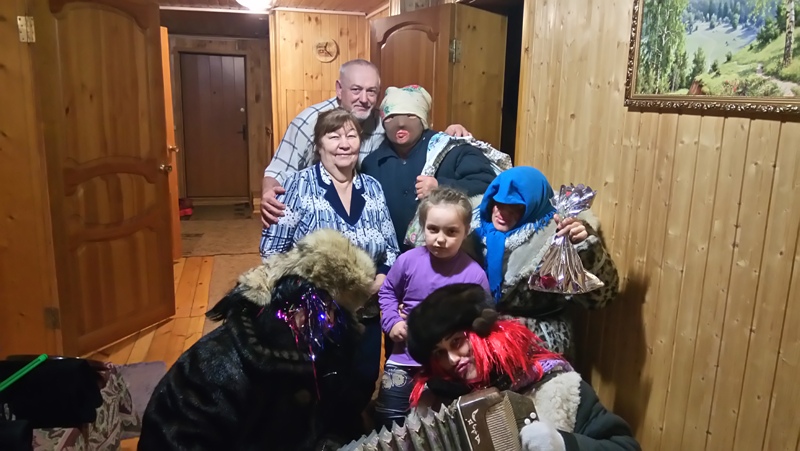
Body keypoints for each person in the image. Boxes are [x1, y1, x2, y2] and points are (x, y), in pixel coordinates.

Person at [138, 229, 379, 450]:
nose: (329, 319)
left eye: (336, 309)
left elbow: (338, 417)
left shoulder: (329, 350)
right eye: (320, 304)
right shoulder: (214, 366)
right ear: (291, 298)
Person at [258, 107, 400, 422]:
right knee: (316, 387)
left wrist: (382, 276)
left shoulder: (372, 188)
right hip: (314, 313)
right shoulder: (297, 186)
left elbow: (391, 248)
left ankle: (347, 431)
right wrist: (307, 293)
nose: (344, 143)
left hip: (365, 311)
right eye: (334, 136)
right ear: (319, 145)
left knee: (363, 379)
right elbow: (272, 251)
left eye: (351, 135)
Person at [405, 283, 640, 451]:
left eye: (457, 342)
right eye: (439, 353)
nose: (452, 360)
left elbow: (625, 446)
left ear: (483, 333)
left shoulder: (556, 385)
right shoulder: (433, 406)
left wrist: (565, 444)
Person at [261, 60, 471, 227]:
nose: (364, 99)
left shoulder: (383, 122)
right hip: (317, 212)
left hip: (363, 214)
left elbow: (415, 132)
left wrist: (448, 134)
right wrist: (269, 194)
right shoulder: (309, 122)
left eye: (371, 91)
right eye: (356, 89)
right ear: (339, 89)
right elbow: (279, 170)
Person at [467, 166, 619, 360]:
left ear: (533, 206)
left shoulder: (556, 237)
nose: (503, 212)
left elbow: (601, 298)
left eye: (515, 207)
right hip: (479, 344)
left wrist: (585, 249)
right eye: (499, 202)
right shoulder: (467, 228)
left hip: (538, 345)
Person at [374, 187, 490, 429]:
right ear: (422, 227)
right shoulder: (407, 261)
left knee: (442, 429)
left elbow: (482, 322)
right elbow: (387, 292)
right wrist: (393, 321)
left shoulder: (475, 274)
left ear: (466, 231)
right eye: (433, 229)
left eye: (451, 231)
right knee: (389, 424)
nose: (440, 239)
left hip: (449, 368)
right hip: (404, 361)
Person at [361, 85, 502, 252]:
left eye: (411, 115)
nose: (400, 124)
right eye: (391, 117)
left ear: (423, 119)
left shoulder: (450, 149)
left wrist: (440, 187)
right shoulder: (372, 164)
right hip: (392, 258)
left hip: (449, 256)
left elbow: (489, 182)